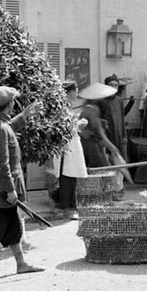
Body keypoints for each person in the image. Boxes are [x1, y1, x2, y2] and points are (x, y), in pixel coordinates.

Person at [0, 86, 44, 282]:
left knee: (14, 229)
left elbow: (8, 128)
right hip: (1, 193)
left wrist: (24, 116)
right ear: (10, 104)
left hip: (3, 192)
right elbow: (1, 165)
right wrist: (9, 190)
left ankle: (21, 264)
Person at [77, 82, 132, 187]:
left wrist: (101, 122)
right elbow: (100, 135)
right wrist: (113, 148)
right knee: (103, 170)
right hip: (91, 144)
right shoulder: (93, 110)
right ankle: (104, 194)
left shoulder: (86, 108)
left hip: (83, 143)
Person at [51, 80, 88, 220]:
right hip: (65, 148)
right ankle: (66, 208)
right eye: (75, 90)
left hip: (71, 146)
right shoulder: (60, 109)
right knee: (66, 177)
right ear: (67, 93)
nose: (77, 93)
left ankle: (70, 207)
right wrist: (78, 124)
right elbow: (62, 128)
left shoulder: (69, 108)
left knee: (71, 177)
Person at [100, 75, 135, 156]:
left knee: (120, 157)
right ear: (106, 86)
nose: (114, 87)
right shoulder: (101, 101)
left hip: (119, 134)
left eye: (116, 85)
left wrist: (124, 135)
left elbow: (122, 117)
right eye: (111, 85)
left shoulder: (119, 100)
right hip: (107, 135)